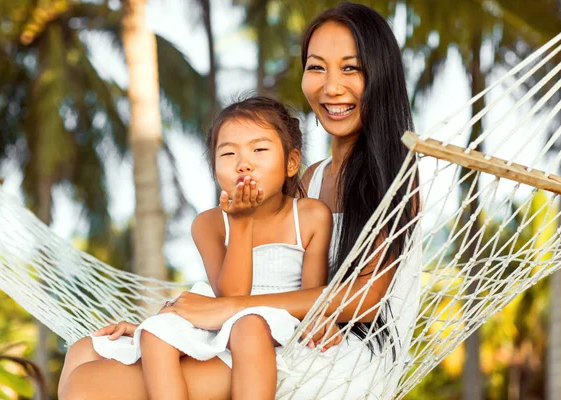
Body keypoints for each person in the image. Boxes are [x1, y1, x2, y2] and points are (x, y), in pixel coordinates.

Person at [58, 2, 420, 399]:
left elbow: (366, 301)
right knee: (82, 351)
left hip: (337, 353)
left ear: (380, 74)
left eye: (350, 68)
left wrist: (225, 310)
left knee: (88, 383)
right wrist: (169, 327)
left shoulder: (395, 175)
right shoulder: (311, 178)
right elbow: (261, 262)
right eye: (317, 67)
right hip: (267, 329)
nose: (331, 86)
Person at [61, 95, 334, 400]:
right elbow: (228, 296)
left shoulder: (310, 216)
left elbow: (311, 300)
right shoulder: (209, 224)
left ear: (291, 163)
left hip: (269, 335)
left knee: (248, 326)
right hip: (218, 324)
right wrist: (241, 224)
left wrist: (243, 223)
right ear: (215, 168)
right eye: (228, 153)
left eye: (259, 149)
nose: (244, 163)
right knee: (84, 349)